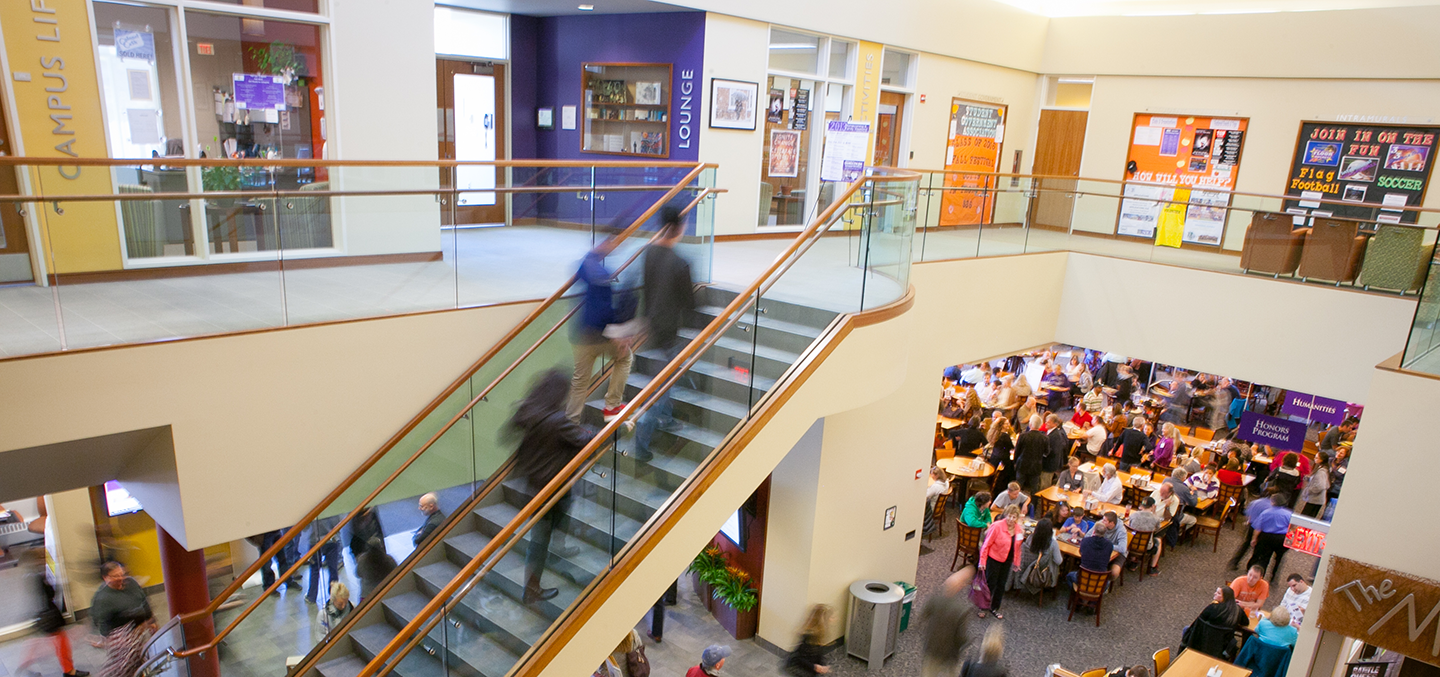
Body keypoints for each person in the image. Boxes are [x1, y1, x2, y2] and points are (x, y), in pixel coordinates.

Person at [511, 369, 595, 603]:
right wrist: (594, 431)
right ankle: (532, 588)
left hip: (535, 485)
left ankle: (557, 547)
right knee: (540, 539)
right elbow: (585, 440)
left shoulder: (530, 412)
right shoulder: (556, 421)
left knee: (562, 509)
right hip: (550, 488)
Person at [633, 208, 696, 462]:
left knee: (663, 380)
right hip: (669, 332)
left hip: (651, 326)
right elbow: (690, 304)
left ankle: (667, 419)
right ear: (679, 227)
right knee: (661, 386)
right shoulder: (681, 263)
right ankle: (641, 441)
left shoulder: (648, 252)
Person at [567, 235, 634, 422]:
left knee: (580, 381)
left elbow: (582, 267)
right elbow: (603, 312)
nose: (617, 247)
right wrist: (618, 335)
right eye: (614, 243)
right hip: (600, 335)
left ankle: (571, 423)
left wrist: (597, 251)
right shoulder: (604, 275)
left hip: (582, 334)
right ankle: (612, 405)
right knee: (625, 358)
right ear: (607, 243)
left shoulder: (587, 265)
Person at [16, 549, 88, 677]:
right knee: (60, 643)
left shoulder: (30, 575)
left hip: (44, 615)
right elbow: (49, 594)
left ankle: (25, 666)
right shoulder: (37, 576)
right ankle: (68, 671)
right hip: (49, 616)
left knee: (45, 643)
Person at [92, 562, 154, 677]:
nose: (120, 579)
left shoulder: (131, 583)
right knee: (124, 667)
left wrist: (151, 620)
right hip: (121, 637)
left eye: (121, 574)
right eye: (115, 576)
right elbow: (101, 622)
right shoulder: (102, 598)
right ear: (105, 578)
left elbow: (144, 600)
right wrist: (105, 639)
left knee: (139, 662)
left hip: (138, 632)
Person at [920, 568, 975, 677]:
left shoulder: (934, 600)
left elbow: (923, 616)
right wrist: (968, 641)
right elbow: (961, 637)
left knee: (928, 673)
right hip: (949, 654)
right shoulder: (961, 610)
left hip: (931, 648)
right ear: (960, 588)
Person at [978, 505, 1024, 619]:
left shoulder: (1018, 529)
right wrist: (982, 561)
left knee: (1001, 585)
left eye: (1014, 517)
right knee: (990, 583)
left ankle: (994, 607)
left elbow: (1017, 548)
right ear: (1005, 515)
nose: (1011, 520)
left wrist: (1016, 563)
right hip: (994, 558)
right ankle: (983, 607)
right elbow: (986, 545)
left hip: (1007, 560)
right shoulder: (996, 526)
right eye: (1009, 516)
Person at [1183, 585, 1243, 658]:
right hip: (1221, 646)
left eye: (1218, 593)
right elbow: (1245, 622)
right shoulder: (1237, 611)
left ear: (1225, 597)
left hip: (1202, 640)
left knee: (1186, 629)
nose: (1215, 593)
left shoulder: (1212, 608)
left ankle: (1183, 652)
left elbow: (1198, 622)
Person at [1249, 494, 1294, 578]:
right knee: (1279, 557)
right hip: (1281, 538)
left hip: (1267, 537)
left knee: (1264, 558)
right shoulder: (1289, 514)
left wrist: (1254, 539)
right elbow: (1293, 527)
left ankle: (1261, 576)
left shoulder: (1266, 512)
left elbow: (1258, 528)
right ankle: (1274, 575)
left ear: (1273, 502)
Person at [1015, 518, 1061, 594]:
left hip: (1027, 567)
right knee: (1055, 563)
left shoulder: (1030, 538)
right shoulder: (1052, 543)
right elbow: (1058, 561)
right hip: (1043, 571)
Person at [785, 605, 832, 676]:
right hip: (803, 671)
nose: (834, 619)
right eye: (830, 617)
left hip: (809, 670)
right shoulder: (810, 636)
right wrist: (815, 667)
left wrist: (821, 666)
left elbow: (817, 654)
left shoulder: (819, 634)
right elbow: (799, 657)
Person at [1067, 521, 1113, 588]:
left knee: (1069, 576)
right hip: (1099, 581)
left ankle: (1077, 593)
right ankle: (1094, 594)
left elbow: (1081, 553)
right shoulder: (1109, 545)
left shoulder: (1085, 541)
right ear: (1105, 533)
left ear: (1093, 531)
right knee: (1107, 583)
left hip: (1082, 577)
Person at [1127, 496, 1164, 575]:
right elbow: (1158, 529)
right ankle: (1152, 567)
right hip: (1146, 546)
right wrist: (1154, 513)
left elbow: (1130, 526)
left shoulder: (1133, 515)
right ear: (1153, 506)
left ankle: (1133, 562)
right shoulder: (1155, 518)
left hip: (1131, 544)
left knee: (1135, 534)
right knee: (1159, 540)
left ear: (1141, 506)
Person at [1087, 511, 1128, 581]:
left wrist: (1105, 545)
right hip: (1102, 550)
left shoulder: (1121, 530)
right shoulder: (1100, 524)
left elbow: (1122, 548)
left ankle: (1106, 584)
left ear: (1111, 523)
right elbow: (1087, 536)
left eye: (1105, 520)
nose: (1102, 521)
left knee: (1114, 573)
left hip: (1117, 554)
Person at [355, 537, 397, 601]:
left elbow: (358, 574)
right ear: (381, 547)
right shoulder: (389, 560)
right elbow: (396, 573)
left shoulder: (362, 560)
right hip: (386, 593)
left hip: (367, 595)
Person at [1015, 417, 1047, 493]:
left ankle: (1015, 502)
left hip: (1022, 464)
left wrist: (1015, 462)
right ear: (1040, 425)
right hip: (1036, 465)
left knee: (1018, 485)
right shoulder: (1045, 438)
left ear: (1030, 424)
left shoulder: (1023, 436)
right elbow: (1046, 452)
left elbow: (1017, 451)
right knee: (1034, 487)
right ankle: (1034, 503)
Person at [1299, 451, 1331, 517]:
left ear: (1321, 460)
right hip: (1316, 500)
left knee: (1305, 517)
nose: (1314, 459)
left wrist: (1309, 490)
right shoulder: (1322, 469)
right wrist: (1309, 478)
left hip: (1315, 500)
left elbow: (1321, 486)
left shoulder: (1321, 472)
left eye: (1316, 458)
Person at [1043, 414, 1070, 488]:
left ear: (1055, 424)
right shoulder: (1051, 432)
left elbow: (1051, 451)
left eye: (1048, 422)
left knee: (1045, 483)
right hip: (1049, 463)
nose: (1045, 423)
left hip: (1049, 464)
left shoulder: (1056, 436)